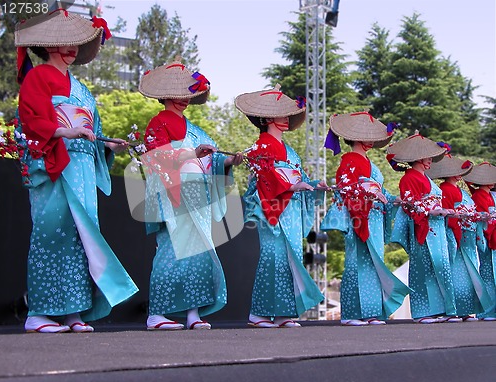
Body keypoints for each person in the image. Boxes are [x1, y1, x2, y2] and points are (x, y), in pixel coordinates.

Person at [14, 9, 138, 333]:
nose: (71, 49)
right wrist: (65, 132)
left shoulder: (83, 89)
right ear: (48, 45)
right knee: (51, 232)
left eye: (76, 44)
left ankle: (74, 313)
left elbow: (92, 132)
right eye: (63, 43)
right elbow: (30, 122)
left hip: (82, 166)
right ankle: (39, 312)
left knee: (82, 237)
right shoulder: (37, 77)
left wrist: (107, 148)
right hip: (55, 161)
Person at [138, 59, 243, 330]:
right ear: (165, 96)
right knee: (170, 252)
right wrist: (190, 154)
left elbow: (211, 161)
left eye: (187, 94)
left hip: (196, 195)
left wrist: (229, 162)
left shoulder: (195, 131)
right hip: (172, 192)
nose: (184, 100)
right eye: (178, 95)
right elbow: (154, 159)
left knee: (197, 253)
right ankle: (157, 313)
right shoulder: (158, 123)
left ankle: (193, 314)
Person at [235, 84, 326, 328]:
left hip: (292, 210)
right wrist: (291, 186)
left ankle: (285, 312)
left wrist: (315, 185)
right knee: (272, 257)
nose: (286, 118)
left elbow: (302, 180)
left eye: (287, 114)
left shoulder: (290, 151)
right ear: (266, 118)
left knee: (291, 258)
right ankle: (259, 313)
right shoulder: (260, 146)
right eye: (280, 114)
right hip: (272, 207)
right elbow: (265, 177)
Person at [320, 112, 411, 326]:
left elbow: (376, 190)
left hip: (374, 217)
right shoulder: (349, 160)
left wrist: (391, 198)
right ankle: (352, 313)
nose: (370, 141)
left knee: (372, 263)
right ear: (356, 138)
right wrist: (369, 193)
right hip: (360, 216)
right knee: (356, 263)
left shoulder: (367, 162)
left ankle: (371, 312)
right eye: (366, 136)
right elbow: (346, 187)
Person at [387, 133, 458, 323]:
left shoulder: (426, 178)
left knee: (439, 268)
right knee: (422, 270)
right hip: (423, 227)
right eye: (428, 157)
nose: (430, 160)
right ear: (419, 158)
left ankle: (442, 309)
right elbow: (410, 204)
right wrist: (430, 211)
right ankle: (422, 312)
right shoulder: (409, 178)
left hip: (436, 228)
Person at [426, 154, 493, 321]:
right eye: (455, 171)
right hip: (456, 233)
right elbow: (448, 213)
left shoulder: (461, 191)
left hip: (467, 233)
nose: (459, 173)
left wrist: (477, 216)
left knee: (467, 274)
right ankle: (455, 309)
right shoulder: (445, 189)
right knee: (456, 273)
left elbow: (470, 211)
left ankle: (465, 310)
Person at [463, 162, 496, 321]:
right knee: (488, 275)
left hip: (492, 233)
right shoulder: (478, 196)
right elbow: (483, 219)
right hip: (487, 236)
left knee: (491, 274)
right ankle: (486, 311)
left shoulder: (488, 195)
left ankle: (491, 310)